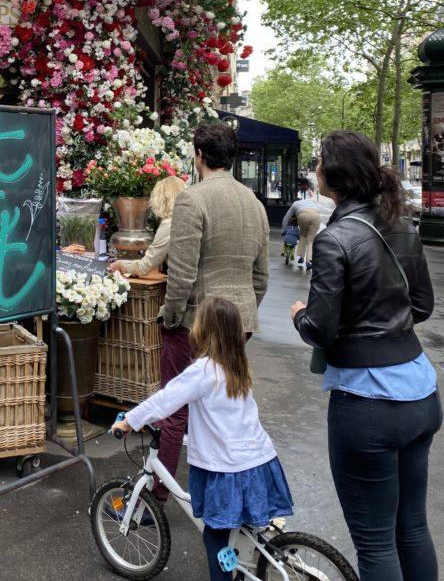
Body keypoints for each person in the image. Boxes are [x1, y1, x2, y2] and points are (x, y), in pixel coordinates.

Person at [291, 130, 441, 581]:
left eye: (318, 167)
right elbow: (420, 306)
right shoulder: (401, 225)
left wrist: (301, 318)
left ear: (333, 176)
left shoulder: (336, 239)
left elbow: (322, 329)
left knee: (376, 544)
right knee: (412, 530)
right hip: (420, 393)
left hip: (367, 405)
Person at [112, 297, 293, 581]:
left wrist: (129, 420)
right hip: (257, 462)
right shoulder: (237, 365)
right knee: (246, 530)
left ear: (204, 330)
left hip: (226, 469)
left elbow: (166, 399)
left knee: (216, 541)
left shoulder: (203, 370)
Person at [152, 122, 269, 504]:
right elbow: (261, 277)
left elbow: (181, 275)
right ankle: (232, 494)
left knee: (175, 409)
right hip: (239, 323)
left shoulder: (192, 199)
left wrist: (169, 317)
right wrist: (242, 317)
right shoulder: (254, 203)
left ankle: (158, 495)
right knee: (226, 407)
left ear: (199, 155)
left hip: (196, 323)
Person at [107, 175, 186, 278]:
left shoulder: (170, 224)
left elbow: (144, 267)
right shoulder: (190, 219)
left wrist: (120, 264)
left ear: (160, 199)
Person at [281, 192, 321, 270]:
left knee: (303, 235)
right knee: (310, 240)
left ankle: (301, 257)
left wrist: (283, 229)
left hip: (303, 215)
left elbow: (287, 217)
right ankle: (309, 261)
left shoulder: (295, 204)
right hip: (316, 216)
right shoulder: (310, 202)